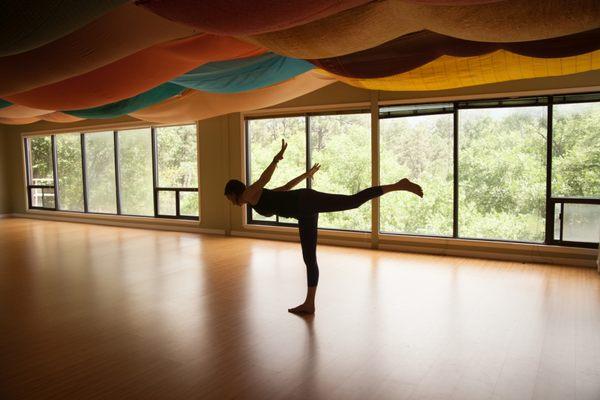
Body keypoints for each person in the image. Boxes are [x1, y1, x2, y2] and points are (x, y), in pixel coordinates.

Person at [224, 139, 423, 314]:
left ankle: (399, 185)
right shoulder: (254, 197)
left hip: (305, 202)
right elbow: (285, 188)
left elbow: (264, 179)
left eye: (229, 198)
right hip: (303, 211)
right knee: (309, 258)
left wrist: (276, 160)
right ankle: (309, 304)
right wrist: (306, 174)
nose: (231, 202)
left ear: (234, 193)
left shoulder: (248, 194)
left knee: (352, 202)